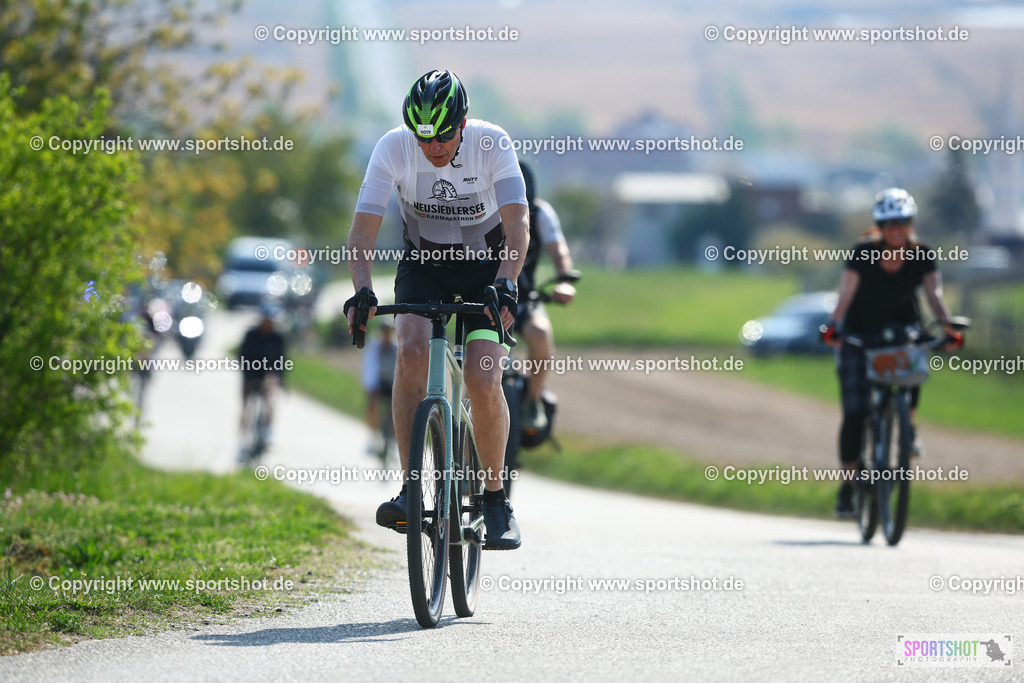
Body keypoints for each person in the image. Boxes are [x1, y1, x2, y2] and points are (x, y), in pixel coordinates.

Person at [344, 69, 529, 550]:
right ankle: (410, 489)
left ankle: (494, 499)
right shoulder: (392, 147)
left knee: (484, 378)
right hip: (424, 264)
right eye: (424, 138)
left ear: (463, 124)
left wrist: (507, 284)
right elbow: (362, 234)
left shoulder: (493, 144)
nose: (434, 148)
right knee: (410, 350)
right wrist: (362, 290)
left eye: (444, 135)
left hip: (488, 271)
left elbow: (518, 228)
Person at [821, 187, 960, 518]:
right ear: (880, 227)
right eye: (890, 223)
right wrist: (832, 326)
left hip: (901, 331)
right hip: (859, 336)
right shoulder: (862, 254)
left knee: (912, 368)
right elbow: (845, 294)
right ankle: (849, 484)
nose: (897, 229)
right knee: (855, 414)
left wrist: (948, 327)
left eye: (903, 222)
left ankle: (906, 427)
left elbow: (934, 294)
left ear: (911, 223)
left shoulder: (922, 254)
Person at [514, 160, 577, 432]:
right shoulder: (480, 212)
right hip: (484, 300)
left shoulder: (541, 213)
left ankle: (532, 400)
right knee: (478, 368)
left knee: (541, 335)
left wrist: (564, 279)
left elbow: (558, 248)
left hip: (524, 298)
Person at [239, 304, 287, 452]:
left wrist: (278, 378)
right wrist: (247, 377)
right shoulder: (251, 335)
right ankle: (242, 441)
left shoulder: (277, 338)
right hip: (251, 370)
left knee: (271, 396)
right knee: (246, 403)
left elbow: (281, 360)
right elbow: (242, 357)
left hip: (268, 371)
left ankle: (268, 431)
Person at [362, 317, 398, 460]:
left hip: (392, 383)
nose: (386, 334)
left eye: (388, 332)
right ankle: (372, 436)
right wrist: (372, 387)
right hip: (378, 383)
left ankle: (393, 443)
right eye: (384, 331)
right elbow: (369, 366)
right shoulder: (374, 346)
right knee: (372, 406)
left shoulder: (397, 346)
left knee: (395, 412)